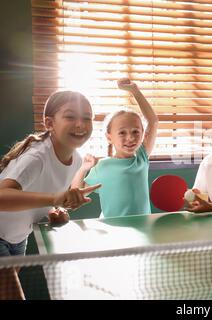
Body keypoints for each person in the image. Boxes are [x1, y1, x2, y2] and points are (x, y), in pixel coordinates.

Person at [0, 91, 100, 299]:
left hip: (18, 238)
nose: (80, 124)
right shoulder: (37, 156)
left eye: (87, 118)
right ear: (49, 123)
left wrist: (59, 209)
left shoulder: (77, 160)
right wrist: (54, 199)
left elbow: (51, 198)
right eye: (70, 117)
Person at [72, 78, 158, 218]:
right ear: (109, 137)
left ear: (143, 133)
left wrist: (135, 91)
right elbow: (77, 192)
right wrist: (83, 169)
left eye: (136, 131)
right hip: (113, 231)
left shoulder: (142, 157)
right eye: (122, 133)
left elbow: (153, 121)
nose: (130, 138)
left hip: (143, 228)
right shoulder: (102, 166)